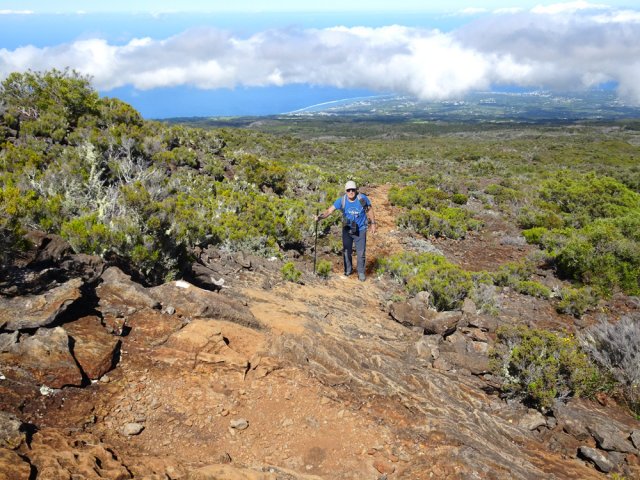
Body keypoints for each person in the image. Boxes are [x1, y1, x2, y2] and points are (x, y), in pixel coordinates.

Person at [316, 180, 376, 281]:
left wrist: (373, 224)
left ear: (356, 190)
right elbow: (329, 211)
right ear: (345, 191)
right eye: (348, 190)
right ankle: (348, 270)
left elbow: (369, 209)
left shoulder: (361, 199)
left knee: (361, 252)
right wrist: (320, 217)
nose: (351, 192)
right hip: (347, 229)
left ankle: (361, 272)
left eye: (353, 190)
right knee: (346, 251)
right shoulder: (342, 201)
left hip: (360, 229)